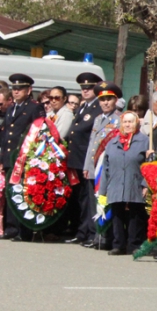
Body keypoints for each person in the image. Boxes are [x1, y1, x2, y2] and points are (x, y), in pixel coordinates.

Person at [1, 73, 45, 241]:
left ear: (29, 90)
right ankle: (11, 228)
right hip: (9, 158)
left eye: (20, 89)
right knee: (11, 194)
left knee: (23, 194)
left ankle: (24, 230)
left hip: (25, 158)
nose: (16, 91)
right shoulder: (12, 108)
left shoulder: (34, 108)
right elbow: (6, 135)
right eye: (14, 89)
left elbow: (40, 132)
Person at [98, 110, 149, 255]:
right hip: (115, 183)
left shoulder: (144, 141)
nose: (127, 125)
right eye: (125, 122)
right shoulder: (112, 142)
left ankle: (134, 244)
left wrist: (146, 184)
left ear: (136, 123)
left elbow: (150, 165)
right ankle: (118, 244)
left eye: (130, 122)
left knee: (135, 216)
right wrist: (102, 191)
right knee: (117, 215)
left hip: (135, 183)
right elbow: (105, 167)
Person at [82, 81, 123, 250]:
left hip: (107, 169)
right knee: (94, 203)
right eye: (102, 99)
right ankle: (96, 235)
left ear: (115, 100)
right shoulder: (99, 119)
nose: (105, 103)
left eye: (109, 99)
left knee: (105, 202)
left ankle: (106, 236)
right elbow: (92, 144)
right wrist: (86, 166)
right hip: (94, 168)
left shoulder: (119, 120)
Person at [64, 72, 103, 245]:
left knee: (88, 199)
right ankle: (81, 231)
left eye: (89, 88)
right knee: (81, 198)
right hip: (77, 158)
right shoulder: (83, 106)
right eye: (83, 88)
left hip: (87, 158)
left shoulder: (97, 107)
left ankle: (90, 232)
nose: (86, 91)